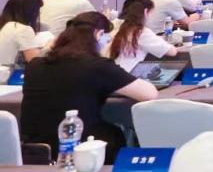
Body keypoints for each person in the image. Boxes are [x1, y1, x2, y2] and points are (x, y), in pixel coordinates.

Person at [20, 12, 157, 160]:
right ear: (99, 34)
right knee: (117, 132)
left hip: (34, 149)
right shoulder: (98, 66)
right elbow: (149, 94)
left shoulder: (34, 65)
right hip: (84, 146)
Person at [109, 0, 179, 72]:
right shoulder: (140, 32)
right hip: (127, 76)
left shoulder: (113, 25)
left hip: (110, 73)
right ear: (145, 12)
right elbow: (172, 52)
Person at [0, 0, 44, 67]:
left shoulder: (5, 25)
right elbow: (34, 61)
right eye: (38, 10)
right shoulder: (23, 29)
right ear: (31, 12)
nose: (39, 13)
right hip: (7, 73)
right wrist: (48, 47)